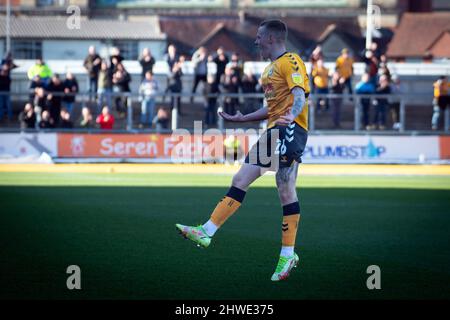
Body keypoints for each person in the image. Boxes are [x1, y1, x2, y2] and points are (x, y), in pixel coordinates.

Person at [176, 19, 310, 282]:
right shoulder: (268, 71)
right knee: (240, 179)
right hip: (272, 131)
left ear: (272, 38)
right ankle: (207, 231)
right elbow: (271, 108)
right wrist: (242, 118)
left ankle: (287, 254)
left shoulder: (291, 61)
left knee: (284, 187)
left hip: (290, 129)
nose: (256, 41)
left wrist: (291, 116)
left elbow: (300, 95)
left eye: (260, 37)